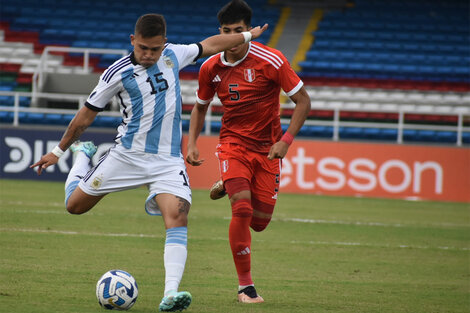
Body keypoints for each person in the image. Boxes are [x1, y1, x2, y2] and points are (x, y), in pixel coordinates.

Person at [30, 13, 267, 312]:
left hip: (167, 161)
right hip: (126, 156)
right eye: (143, 47)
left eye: (154, 49)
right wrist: (59, 151)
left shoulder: (174, 55)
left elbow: (211, 44)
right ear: (133, 40)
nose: (148, 54)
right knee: (74, 207)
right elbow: (87, 114)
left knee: (178, 216)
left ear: (163, 44)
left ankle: (170, 294)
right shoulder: (115, 73)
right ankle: (83, 156)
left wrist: (247, 36)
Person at [186, 0, 311, 304]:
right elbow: (200, 108)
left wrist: (286, 140)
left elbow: (304, 102)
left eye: (238, 31)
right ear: (220, 32)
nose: (231, 37)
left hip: (268, 151)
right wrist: (191, 143)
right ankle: (246, 287)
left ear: (248, 31)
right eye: (226, 31)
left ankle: (229, 184)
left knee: (259, 222)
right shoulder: (210, 67)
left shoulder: (272, 60)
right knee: (241, 209)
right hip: (233, 145)